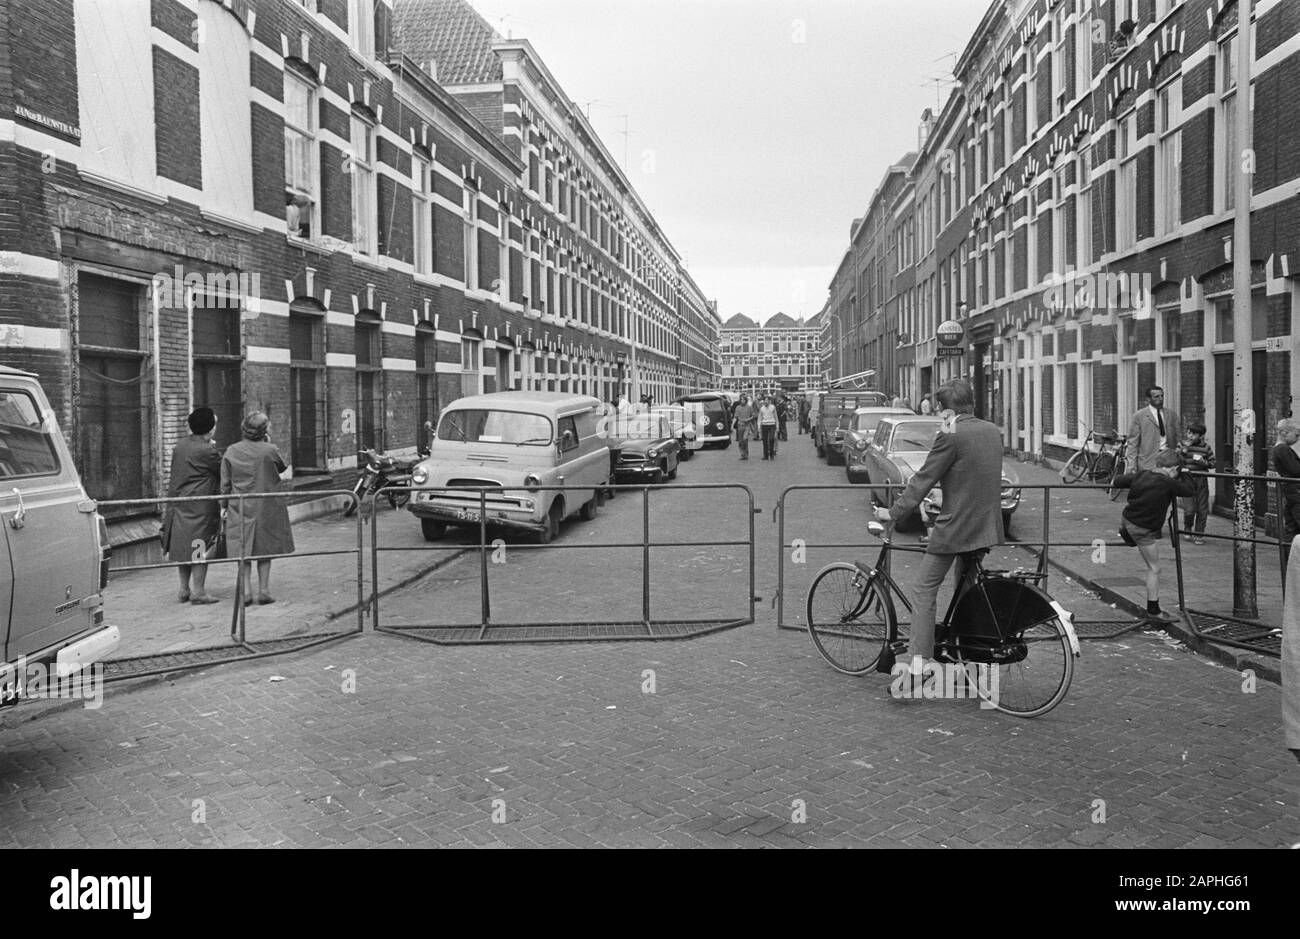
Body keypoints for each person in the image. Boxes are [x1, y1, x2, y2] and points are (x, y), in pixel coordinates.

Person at [872, 379, 1004, 683]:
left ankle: (919, 664)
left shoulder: (950, 433)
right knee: (966, 591)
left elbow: (922, 480)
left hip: (957, 528)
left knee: (924, 588)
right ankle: (971, 656)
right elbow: (973, 474)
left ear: (945, 409)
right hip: (986, 526)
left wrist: (892, 513)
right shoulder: (990, 430)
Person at [1112, 449, 1197, 623]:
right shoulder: (1168, 482)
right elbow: (1189, 490)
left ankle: (1126, 532)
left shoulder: (1142, 474)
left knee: (1135, 530)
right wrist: (1186, 473)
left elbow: (1118, 481)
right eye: (1177, 471)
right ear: (1173, 468)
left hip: (1128, 518)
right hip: (1143, 529)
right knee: (1154, 568)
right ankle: (1154, 610)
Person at [221, 412, 295, 605]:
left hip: (240, 506)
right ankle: (264, 590)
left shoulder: (231, 450)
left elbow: (225, 483)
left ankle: (246, 592)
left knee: (242, 548)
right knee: (265, 547)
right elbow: (281, 467)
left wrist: (223, 506)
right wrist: (268, 443)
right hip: (265, 505)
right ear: (264, 430)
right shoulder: (269, 450)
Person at [161, 407, 223, 605]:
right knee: (199, 547)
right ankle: (199, 591)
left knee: (182, 546)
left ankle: (183, 589)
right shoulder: (208, 451)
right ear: (210, 428)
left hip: (179, 503)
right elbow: (221, 470)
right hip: (200, 506)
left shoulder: (180, 446)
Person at [1126, 386, 1181, 472]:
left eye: (1162, 396)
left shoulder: (1171, 414)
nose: (1161, 399)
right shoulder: (1139, 416)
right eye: (1157, 396)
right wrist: (1132, 466)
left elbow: (1178, 437)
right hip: (1147, 462)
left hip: (1168, 463)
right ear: (1148, 399)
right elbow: (1133, 443)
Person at [1178, 422, 1215, 545]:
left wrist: (1203, 462)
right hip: (1187, 478)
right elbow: (1177, 461)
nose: (1190, 436)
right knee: (1189, 508)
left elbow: (1213, 463)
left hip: (1201, 479)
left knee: (1202, 508)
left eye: (1193, 434)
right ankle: (1187, 528)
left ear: (1200, 435)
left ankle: (1199, 533)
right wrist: (1184, 450)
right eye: (1189, 432)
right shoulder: (1182, 444)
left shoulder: (1206, 447)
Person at [1272, 417, 1300, 573]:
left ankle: (1289, 560)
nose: (1297, 438)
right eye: (1296, 435)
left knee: (1291, 528)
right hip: (1296, 491)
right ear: (1285, 432)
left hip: (1290, 491)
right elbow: (1295, 469)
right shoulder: (1283, 449)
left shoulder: (1279, 449)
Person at [732, 394, 756, 460]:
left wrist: (748, 419)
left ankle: (746, 453)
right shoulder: (737, 407)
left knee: (745, 439)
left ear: (746, 400)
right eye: (741, 400)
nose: (742, 401)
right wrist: (732, 425)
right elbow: (735, 417)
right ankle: (742, 454)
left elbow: (753, 416)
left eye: (744, 400)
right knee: (740, 441)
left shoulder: (749, 407)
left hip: (747, 426)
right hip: (740, 426)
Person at [758, 395, 778, 460]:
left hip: (772, 424)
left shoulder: (773, 407)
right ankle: (765, 455)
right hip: (764, 425)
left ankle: (771, 454)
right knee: (764, 440)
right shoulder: (762, 408)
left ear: (769, 401)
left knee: (772, 439)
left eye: (767, 400)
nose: (766, 402)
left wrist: (777, 426)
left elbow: (776, 417)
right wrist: (759, 426)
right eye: (765, 400)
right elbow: (760, 418)